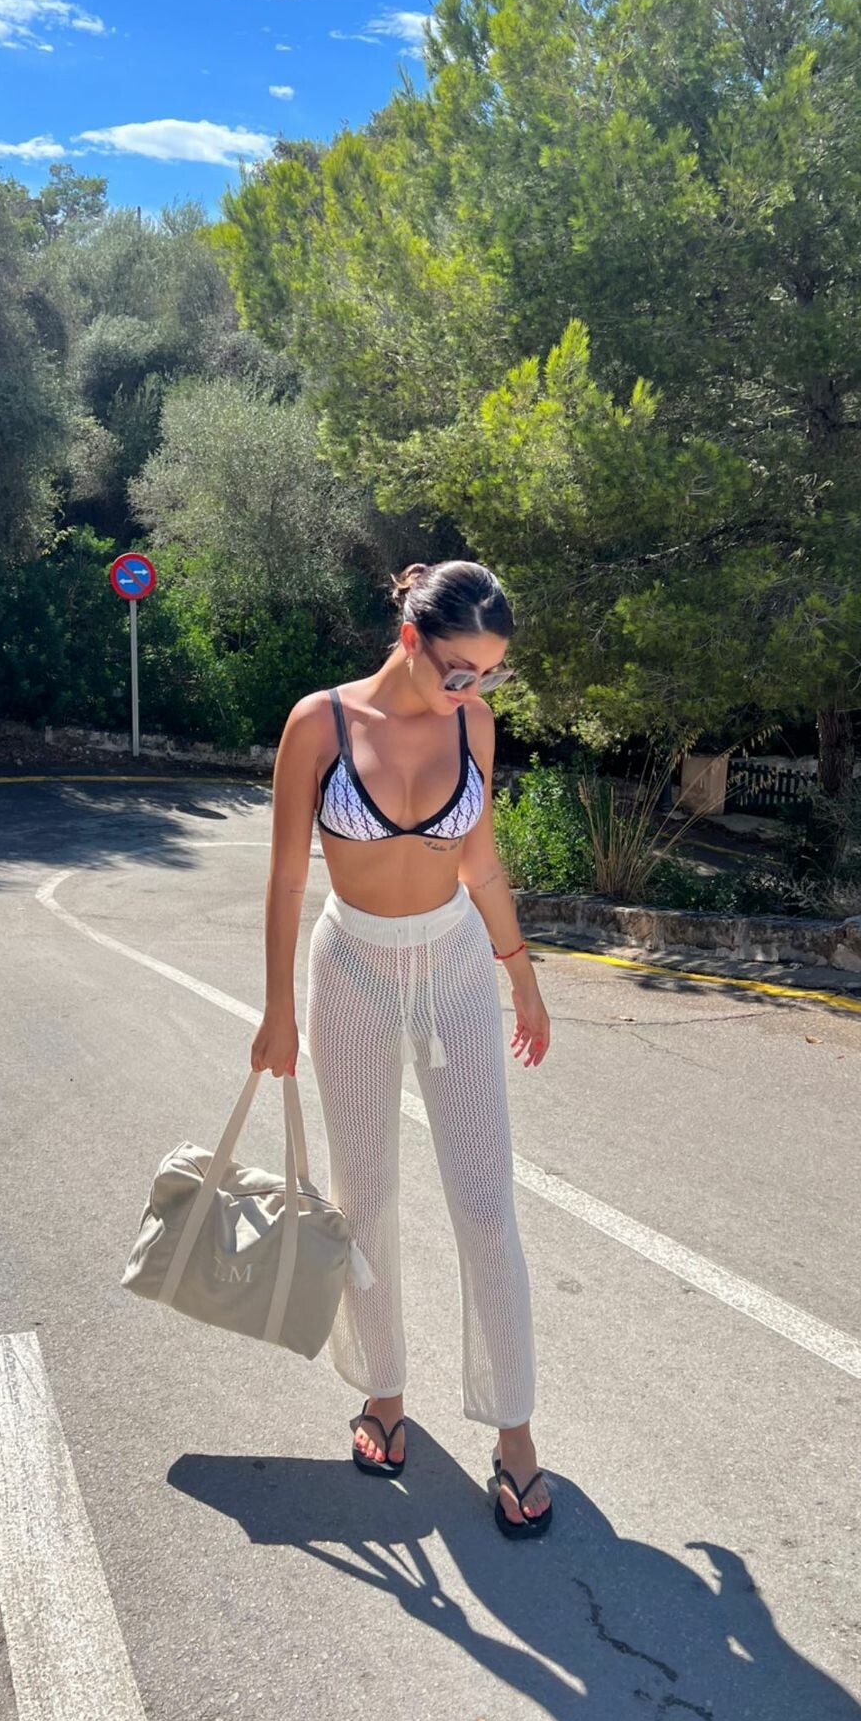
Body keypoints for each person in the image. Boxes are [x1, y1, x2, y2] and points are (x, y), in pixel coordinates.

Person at [249, 558, 553, 1536]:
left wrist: (521, 972)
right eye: (461, 668)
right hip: (352, 969)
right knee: (365, 1193)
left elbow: (481, 861)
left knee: (485, 1202)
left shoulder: (474, 724)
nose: (474, 688)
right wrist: (278, 1009)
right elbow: (286, 878)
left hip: (454, 963)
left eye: (491, 673)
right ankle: (383, 1390)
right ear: (411, 637)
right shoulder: (319, 724)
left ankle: (514, 1429)